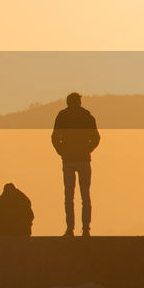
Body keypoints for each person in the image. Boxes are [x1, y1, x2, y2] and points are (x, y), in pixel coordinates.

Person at [51, 92, 100, 237]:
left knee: (69, 196)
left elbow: (54, 137)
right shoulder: (87, 116)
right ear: (79, 102)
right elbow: (96, 137)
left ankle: (70, 229)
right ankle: (85, 229)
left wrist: (62, 151)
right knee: (85, 195)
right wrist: (88, 149)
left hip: (68, 160)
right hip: (84, 160)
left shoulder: (62, 117)